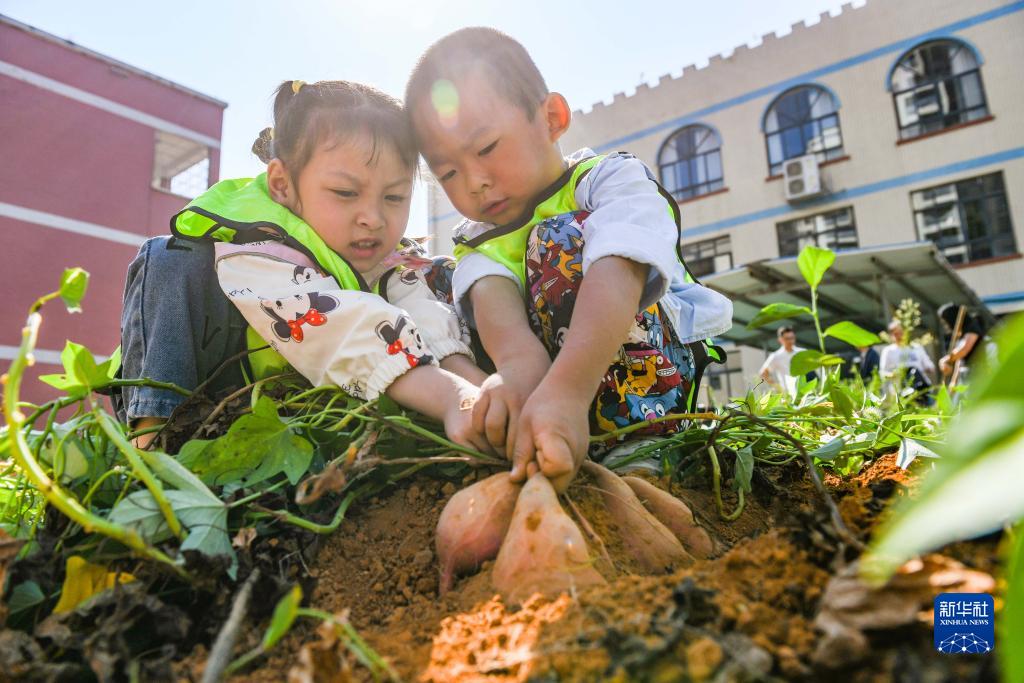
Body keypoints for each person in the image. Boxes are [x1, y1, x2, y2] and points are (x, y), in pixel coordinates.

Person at [404, 28, 733, 490]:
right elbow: (498, 311)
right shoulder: (479, 241)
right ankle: (533, 433)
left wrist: (567, 389)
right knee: (436, 279)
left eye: (486, 148)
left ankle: (643, 444)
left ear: (552, 118)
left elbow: (620, 264)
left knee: (558, 238)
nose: (474, 181)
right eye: (449, 172)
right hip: (553, 398)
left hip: (645, 382)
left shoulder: (609, 180)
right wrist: (520, 378)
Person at [118, 80, 490, 451]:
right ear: (282, 184)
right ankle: (151, 439)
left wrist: (478, 387)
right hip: (217, 394)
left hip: (301, 401)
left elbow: (422, 313)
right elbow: (340, 327)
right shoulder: (257, 246)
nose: (373, 218)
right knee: (168, 257)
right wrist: (451, 399)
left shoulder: (381, 253)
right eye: (346, 193)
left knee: (440, 273)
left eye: (394, 196)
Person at [879, 320, 935, 393]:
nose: (899, 336)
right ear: (891, 335)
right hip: (901, 391)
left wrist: (923, 370)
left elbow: (930, 367)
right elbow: (882, 372)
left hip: (922, 388)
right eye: (896, 334)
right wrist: (893, 375)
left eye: (901, 333)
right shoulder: (889, 351)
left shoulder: (916, 347)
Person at [936, 303, 988, 381]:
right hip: (967, 373)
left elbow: (964, 349)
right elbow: (959, 361)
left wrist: (946, 360)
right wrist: (953, 381)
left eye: (946, 321)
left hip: (979, 372)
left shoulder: (972, 327)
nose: (946, 325)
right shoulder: (961, 333)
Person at [758, 326, 806, 396]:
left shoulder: (802, 352)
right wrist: (778, 388)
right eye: (787, 339)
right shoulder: (776, 356)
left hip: (805, 391)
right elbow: (763, 374)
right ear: (780, 340)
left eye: (792, 338)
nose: (790, 341)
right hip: (787, 394)